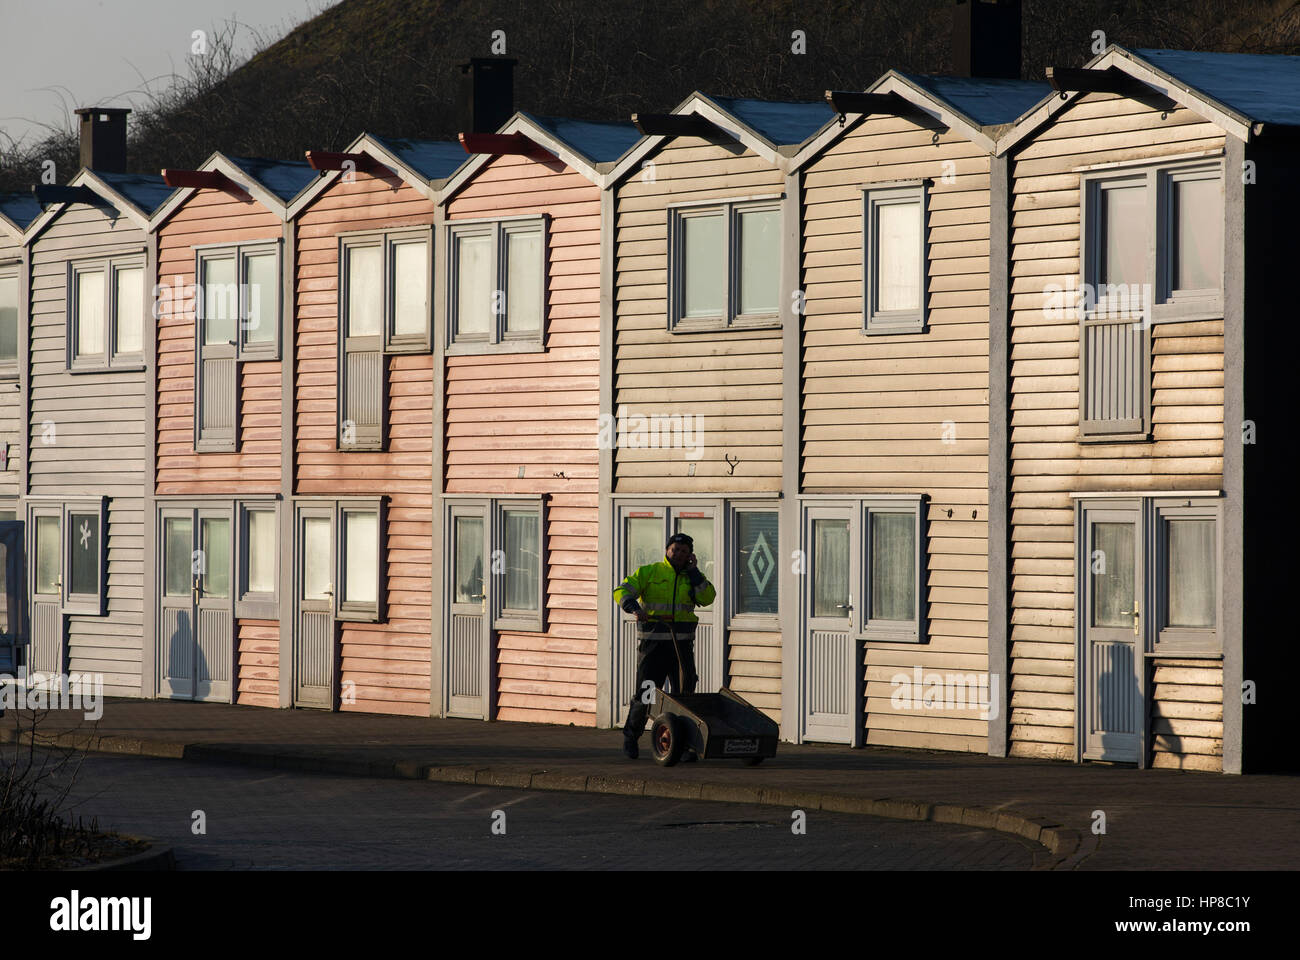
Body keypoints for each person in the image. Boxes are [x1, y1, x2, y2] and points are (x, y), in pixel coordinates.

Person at [613, 532, 715, 759]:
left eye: (683, 551)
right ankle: (632, 736)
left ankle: (686, 745)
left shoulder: (693, 577)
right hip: (654, 646)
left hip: (681, 647)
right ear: (667, 550)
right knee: (646, 693)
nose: (678, 554)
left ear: (690, 556)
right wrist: (633, 608)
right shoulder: (650, 572)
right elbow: (621, 590)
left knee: (684, 695)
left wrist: (695, 572)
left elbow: (708, 597)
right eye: (675, 549)